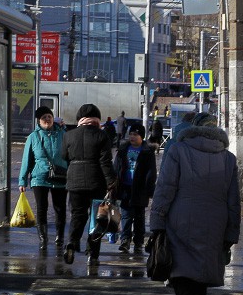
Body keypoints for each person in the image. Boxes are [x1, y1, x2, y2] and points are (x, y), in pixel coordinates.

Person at [150, 112, 241, 295]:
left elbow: (165, 188)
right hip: (216, 221)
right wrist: (231, 233)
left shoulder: (178, 151)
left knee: (179, 272)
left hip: (181, 218)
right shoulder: (229, 158)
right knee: (201, 272)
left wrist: (157, 221)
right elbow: (234, 201)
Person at [61, 104, 117, 266]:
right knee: (97, 218)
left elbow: (63, 155)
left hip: (74, 181)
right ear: (97, 119)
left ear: (80, 118)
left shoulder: (69, 135)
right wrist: (111, 182)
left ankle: (72, 242)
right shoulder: (102, 136)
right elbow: (105, 162)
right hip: (96, 182)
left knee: (77, 214)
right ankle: (92, 254)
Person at [18, 106, 68, 251]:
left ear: (53, 118)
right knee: (42, 209)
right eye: (43, 117)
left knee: (60, 209)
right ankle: (43, 238)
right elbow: (26, 160)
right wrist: (22, 180)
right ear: (39, 121)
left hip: (60, 177)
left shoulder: (63, 134)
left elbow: (71, 156)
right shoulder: (34, 137)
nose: (47, 119)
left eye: (49, 116)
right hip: (39, 178)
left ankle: (60, 238)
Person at [113, 123, 157, 254]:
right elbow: (116, 168)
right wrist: (113, 185)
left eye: (135, 134)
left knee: (139, 217)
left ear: (142, 137)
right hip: (125, 187)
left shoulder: (147, 152)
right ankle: (125, 240)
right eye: (131, 134)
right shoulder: (123, 149)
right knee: (126, 215)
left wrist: (149, 189)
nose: (132, 137)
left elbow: (151, 172)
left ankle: (138, 242)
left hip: (140, 189)